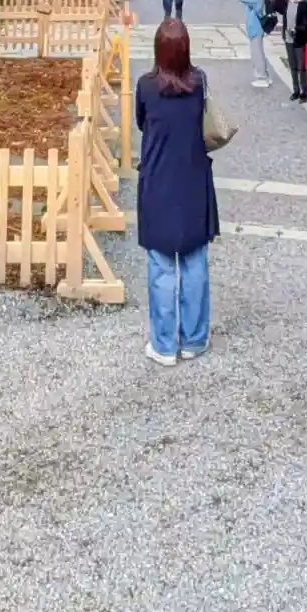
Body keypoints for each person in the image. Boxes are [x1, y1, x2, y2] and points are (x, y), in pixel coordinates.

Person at [135, 19, 218, 364]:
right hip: (193, 176)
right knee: (195, 259)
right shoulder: (199, 82)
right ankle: (194, 339)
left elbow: (141, 122)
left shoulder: (146, 86)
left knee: (161, 263)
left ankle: (164, 344)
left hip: (158, 177)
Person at [238, 0, 272, 87]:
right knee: (259, 52)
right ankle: (265, 75)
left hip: (256, 29)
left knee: (257, 53)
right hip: (256, 28)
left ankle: (262, 77)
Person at [283, 0, 307, 101]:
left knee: (301, 66)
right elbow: (273, 4)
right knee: (292, 66)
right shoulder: (285, 2)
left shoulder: (303, 4)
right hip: (288, 38)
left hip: (299, 39)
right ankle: (296, 90)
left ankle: (304, 92)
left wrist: (296, 29)